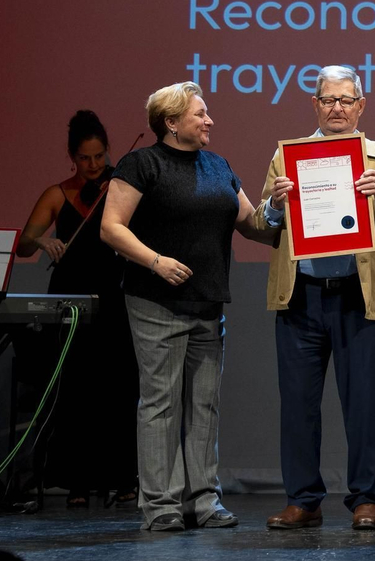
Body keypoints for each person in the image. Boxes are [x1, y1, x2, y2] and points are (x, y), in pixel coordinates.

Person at [100, 82, 275, 531]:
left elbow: (253, 225)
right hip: (156, 301)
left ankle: (203, 502)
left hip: (208, 302)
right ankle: (160, 506)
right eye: (200, 113)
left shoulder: (218, 166)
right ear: (171, 122)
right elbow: (112, 228)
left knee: (204, 404)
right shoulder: (142, 164)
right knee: (160, 404)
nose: (209, 120)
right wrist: (156, 262)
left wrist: (279, 207)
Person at [252, 66, 375, 530]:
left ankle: (365, 500)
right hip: (301, 298)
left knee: (364, 404)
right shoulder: (288, 155)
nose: (337, 108)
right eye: (328, 100)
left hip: (358, 298)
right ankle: (304, 500)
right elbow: (262, 223)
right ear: (315, 105)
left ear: (362, 105)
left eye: (346, 100)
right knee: (298, 405)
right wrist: (276, 205)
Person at [15, 110, 137, 507]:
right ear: (72, 156)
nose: (94, 166)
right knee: (76, 393)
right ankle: (78, 482)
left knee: (118, 391)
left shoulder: (117, 185)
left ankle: (123, 479)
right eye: (85, 159)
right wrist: (43, 241)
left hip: (113, 297)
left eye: (100, 156)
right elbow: (24, 244)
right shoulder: (57, 194)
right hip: (69, 300)